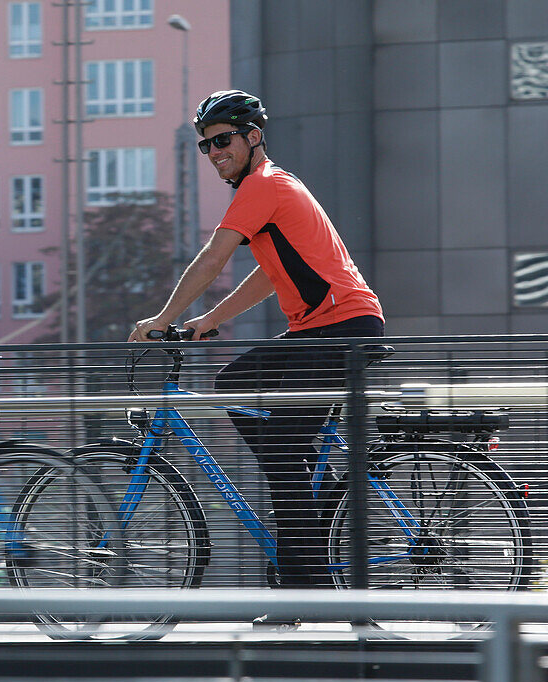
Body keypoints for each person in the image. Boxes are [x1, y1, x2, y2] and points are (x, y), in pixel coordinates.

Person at [130, 90, 384, 595]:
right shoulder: (267, 190)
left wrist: (164, 317)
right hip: (323, 329)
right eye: (206, 145)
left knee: (282, 452)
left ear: (253, 137)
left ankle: (303, 584)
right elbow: (271, 277)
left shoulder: (262, 185)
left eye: (223, 140)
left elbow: (211, 259)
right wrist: (208, 320)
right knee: (235, 383)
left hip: (340, 328)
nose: (215, 151)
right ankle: (319, 499)